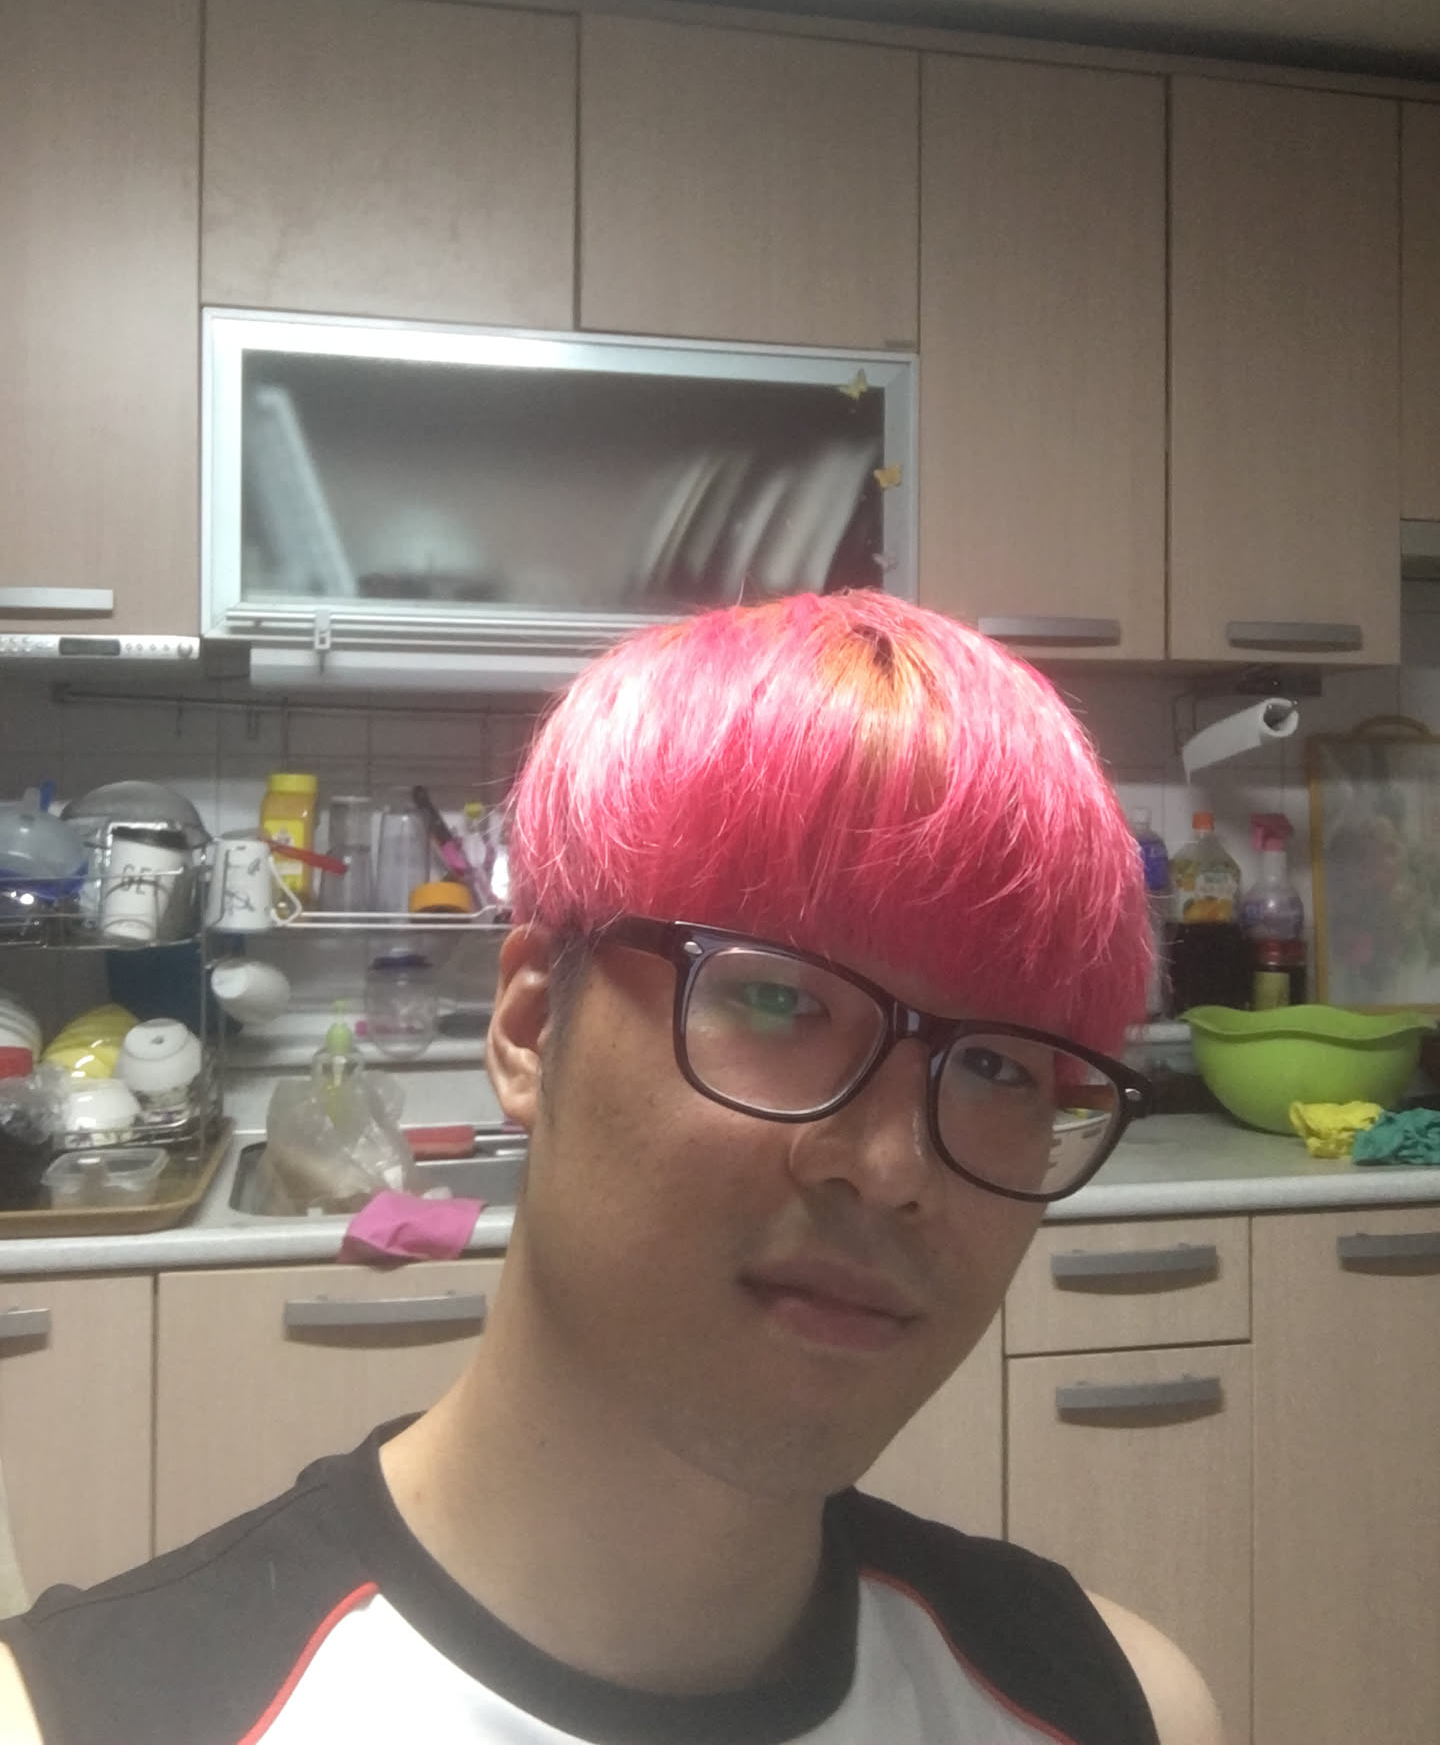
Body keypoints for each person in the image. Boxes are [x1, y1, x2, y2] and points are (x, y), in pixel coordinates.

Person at [0, 590, 1225, 1745]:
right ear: (534, 1027)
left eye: (1000, 1067)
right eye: (778, 998)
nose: (896, 1168)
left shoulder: (1119, 1708)